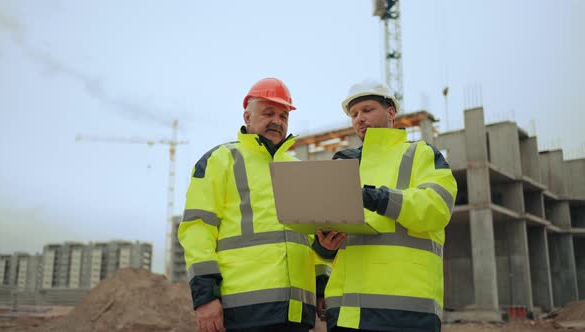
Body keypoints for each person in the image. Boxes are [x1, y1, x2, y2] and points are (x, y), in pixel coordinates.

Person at [313, 80, 457, 332]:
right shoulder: (343, 164)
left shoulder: (421, 154)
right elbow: (329, 245)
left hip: (406, 312)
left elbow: (437, 208)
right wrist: (324, 248)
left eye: (367, 110)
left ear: (391, 111)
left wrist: (374, 198)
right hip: (348, 313)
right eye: (354, 114)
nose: (359, 119)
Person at [178, 78, 318, 332]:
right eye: (268, 113)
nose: (277, 120)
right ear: (247, 117)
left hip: (297, 312)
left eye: (283, 115)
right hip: (242, 311)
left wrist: (320, 287)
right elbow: (197, 230)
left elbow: (309, 238)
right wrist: (205, 297)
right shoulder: (220, 160)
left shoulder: (299, 169)